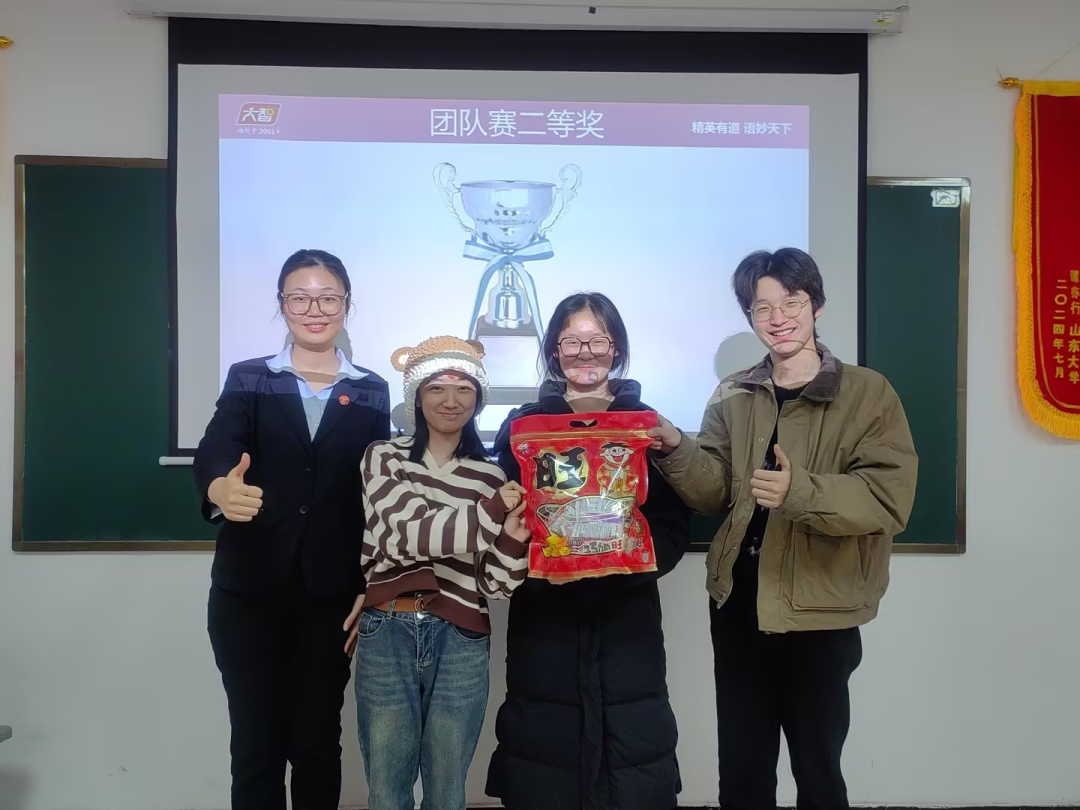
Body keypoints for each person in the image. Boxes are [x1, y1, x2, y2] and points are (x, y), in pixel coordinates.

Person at [649, 248, 919, 810]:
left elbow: (887, 499)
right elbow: (714, 492)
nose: (778, 318)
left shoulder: (868, 392)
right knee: (742, 769)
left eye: (791, 302)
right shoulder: (733, 392)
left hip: (819, 606)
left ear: (816, 304)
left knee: (817, 768)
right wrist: (676, 448)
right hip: (737, 601)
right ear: (750, 316)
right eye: (762, 307)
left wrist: (799, 492)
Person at [193, 249, 390, 810]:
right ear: (282, 305)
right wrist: (218, 488)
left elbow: (377, 491)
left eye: (328, 298)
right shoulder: (251, 377)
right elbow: (218, 446)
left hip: (332, 598)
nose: (314, 309)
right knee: (255, 744)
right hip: (248, 593)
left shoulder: (372, 389)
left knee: (316, 743)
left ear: (347, 305)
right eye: (299, 298)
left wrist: (370, 583)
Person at [486, 293, 692, 810]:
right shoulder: (522, 426)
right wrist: (521, 538)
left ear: (616, 347)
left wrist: (632, 562)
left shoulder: (647, 425)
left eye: (598, 340)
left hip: (628, 621)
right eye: (571, 341)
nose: (585, 353)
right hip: (545, 620)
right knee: (545, 769)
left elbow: (671, 522)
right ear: (554, 351)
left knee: (633, 766)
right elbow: (503, 519)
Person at [355, 336, 532, 810]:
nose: (450, 400)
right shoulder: (383, 456)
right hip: (387, 626)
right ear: (416, 396)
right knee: (386, 789)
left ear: (478, 400)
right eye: (436, 388)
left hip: (462, 636)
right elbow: (411, 535)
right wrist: (490, 514)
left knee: (448, 789)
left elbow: (496, 584)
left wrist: (512, 539)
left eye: (464, 389)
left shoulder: (491, 476)